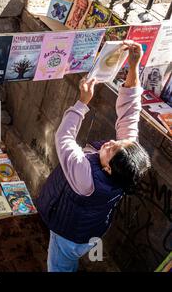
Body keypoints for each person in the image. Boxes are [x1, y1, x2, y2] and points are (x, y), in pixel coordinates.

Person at [35, 40, 151, 272]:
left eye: (111, 149)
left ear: (108, 169)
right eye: (118, 142)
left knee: (60, 266)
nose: (110, 142)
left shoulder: (86, 178)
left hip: (69, 232)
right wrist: (133, 65)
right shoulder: (126, 160)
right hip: (91, 228)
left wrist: (82, 102)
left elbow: (64, 139)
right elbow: (130, 112)